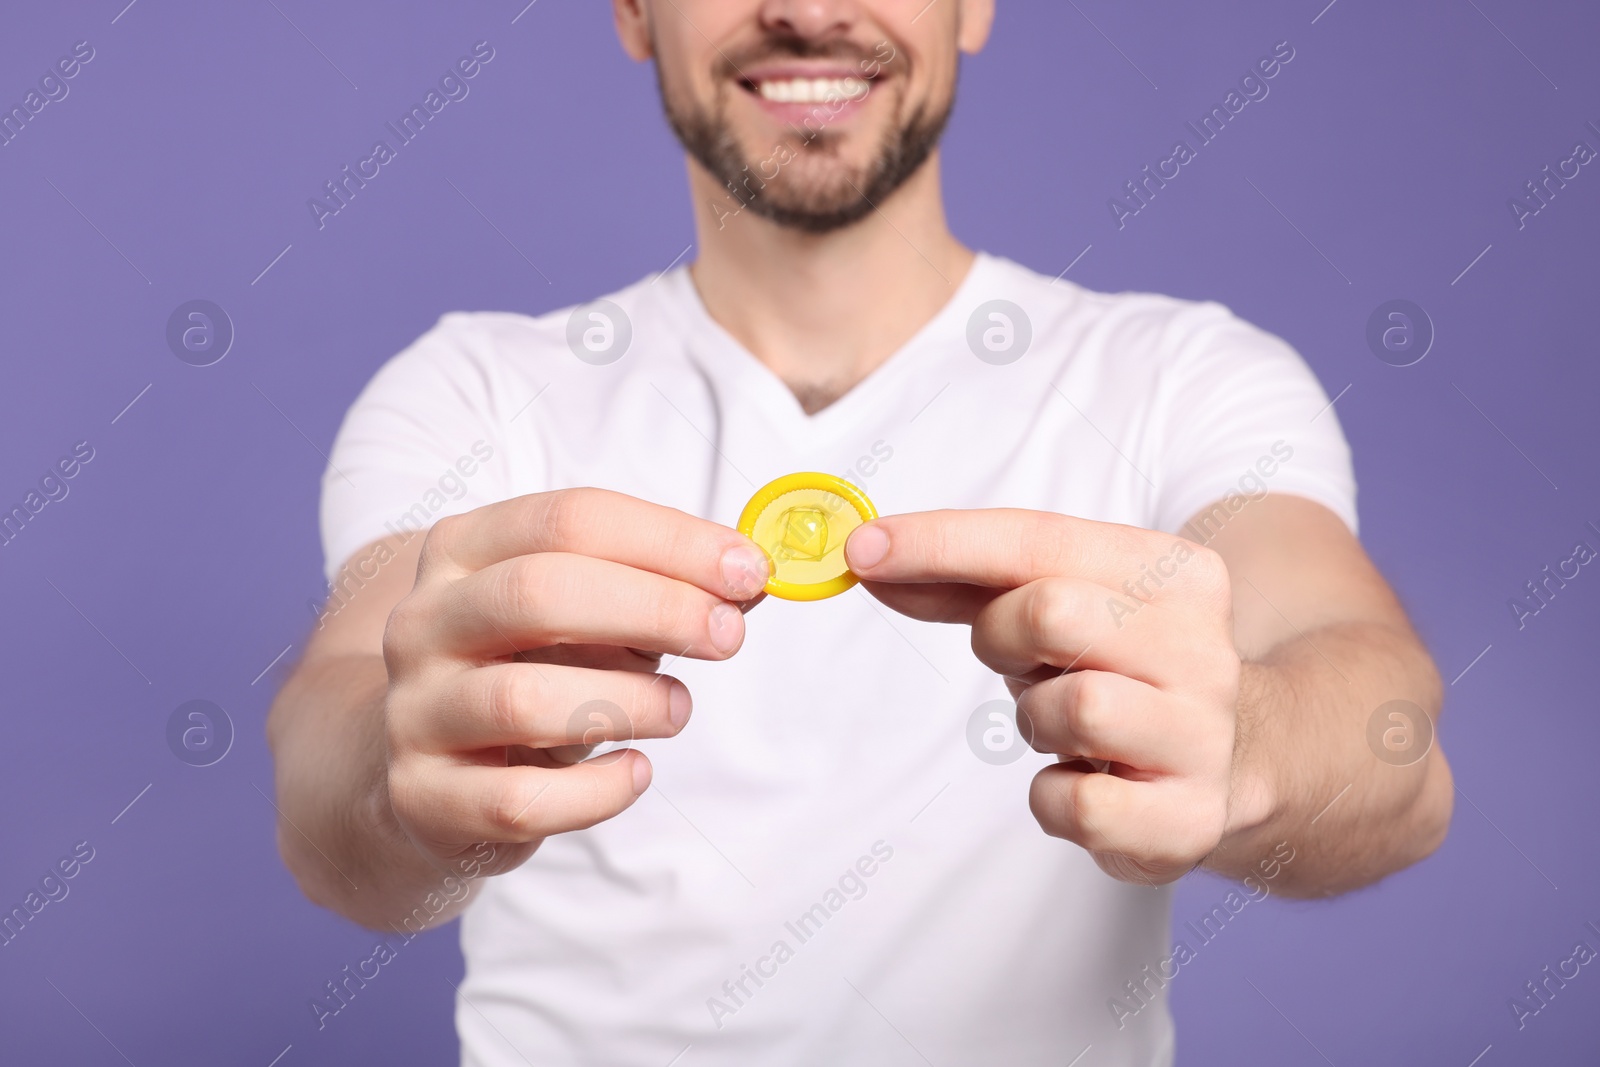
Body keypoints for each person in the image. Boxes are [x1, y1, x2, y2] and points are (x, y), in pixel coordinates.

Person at [266, 1, 1453, 1063]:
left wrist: (1245, 744)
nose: (808, 11)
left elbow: (1390, 751)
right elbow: (328, 772)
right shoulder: (472, 390)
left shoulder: (1181, 376)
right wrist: (396, 780)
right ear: (633, 11)